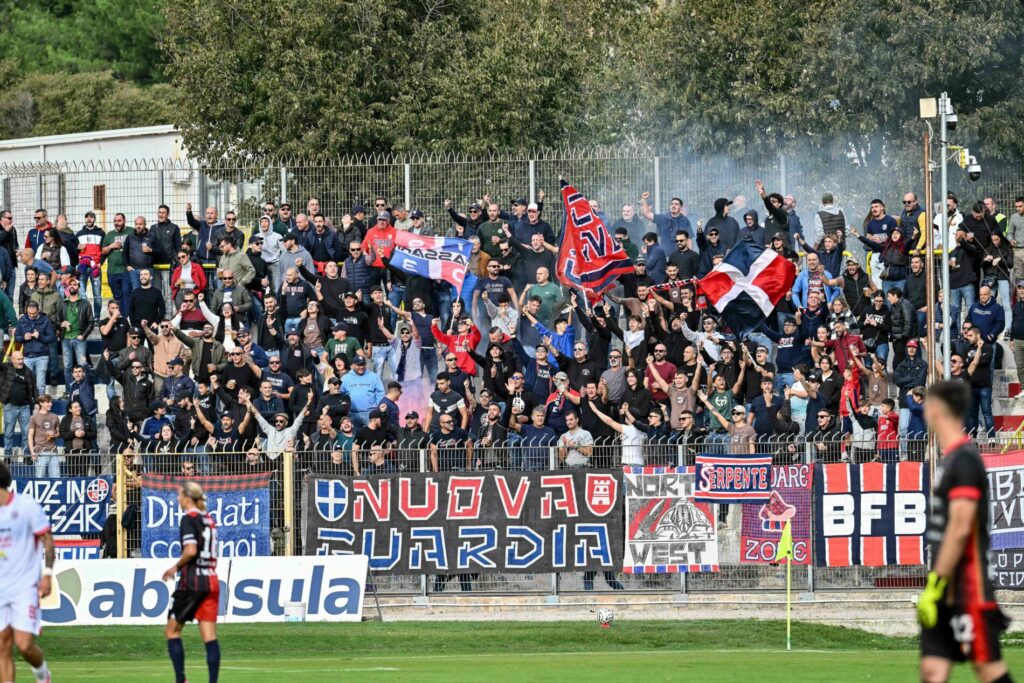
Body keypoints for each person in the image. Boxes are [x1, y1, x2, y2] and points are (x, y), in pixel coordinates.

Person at [918, 380, 1012, 683]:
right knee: (933, 671)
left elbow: (960, 528)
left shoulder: (965, 460)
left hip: (967, 586)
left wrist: (935, 583)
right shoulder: (950, 460)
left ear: (936, 409)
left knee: (988, 669)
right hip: (945, 589)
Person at [0, 461, 56, 683]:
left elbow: (48, 541)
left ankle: (42, 672)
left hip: (25, 586)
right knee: (3, 645)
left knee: (24, 645)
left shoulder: (26, 506)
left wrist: (48, 574)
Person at [161, 481, 221, 683]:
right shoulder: (209, 520)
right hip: (211, 579)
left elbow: (191, 550)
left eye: (179, 495)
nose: (177, 499)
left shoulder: (189, 518)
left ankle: (181, 680)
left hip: (192, 581)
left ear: (187, 498)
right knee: (210, 637)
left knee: (172, 630)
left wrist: (174, 568)